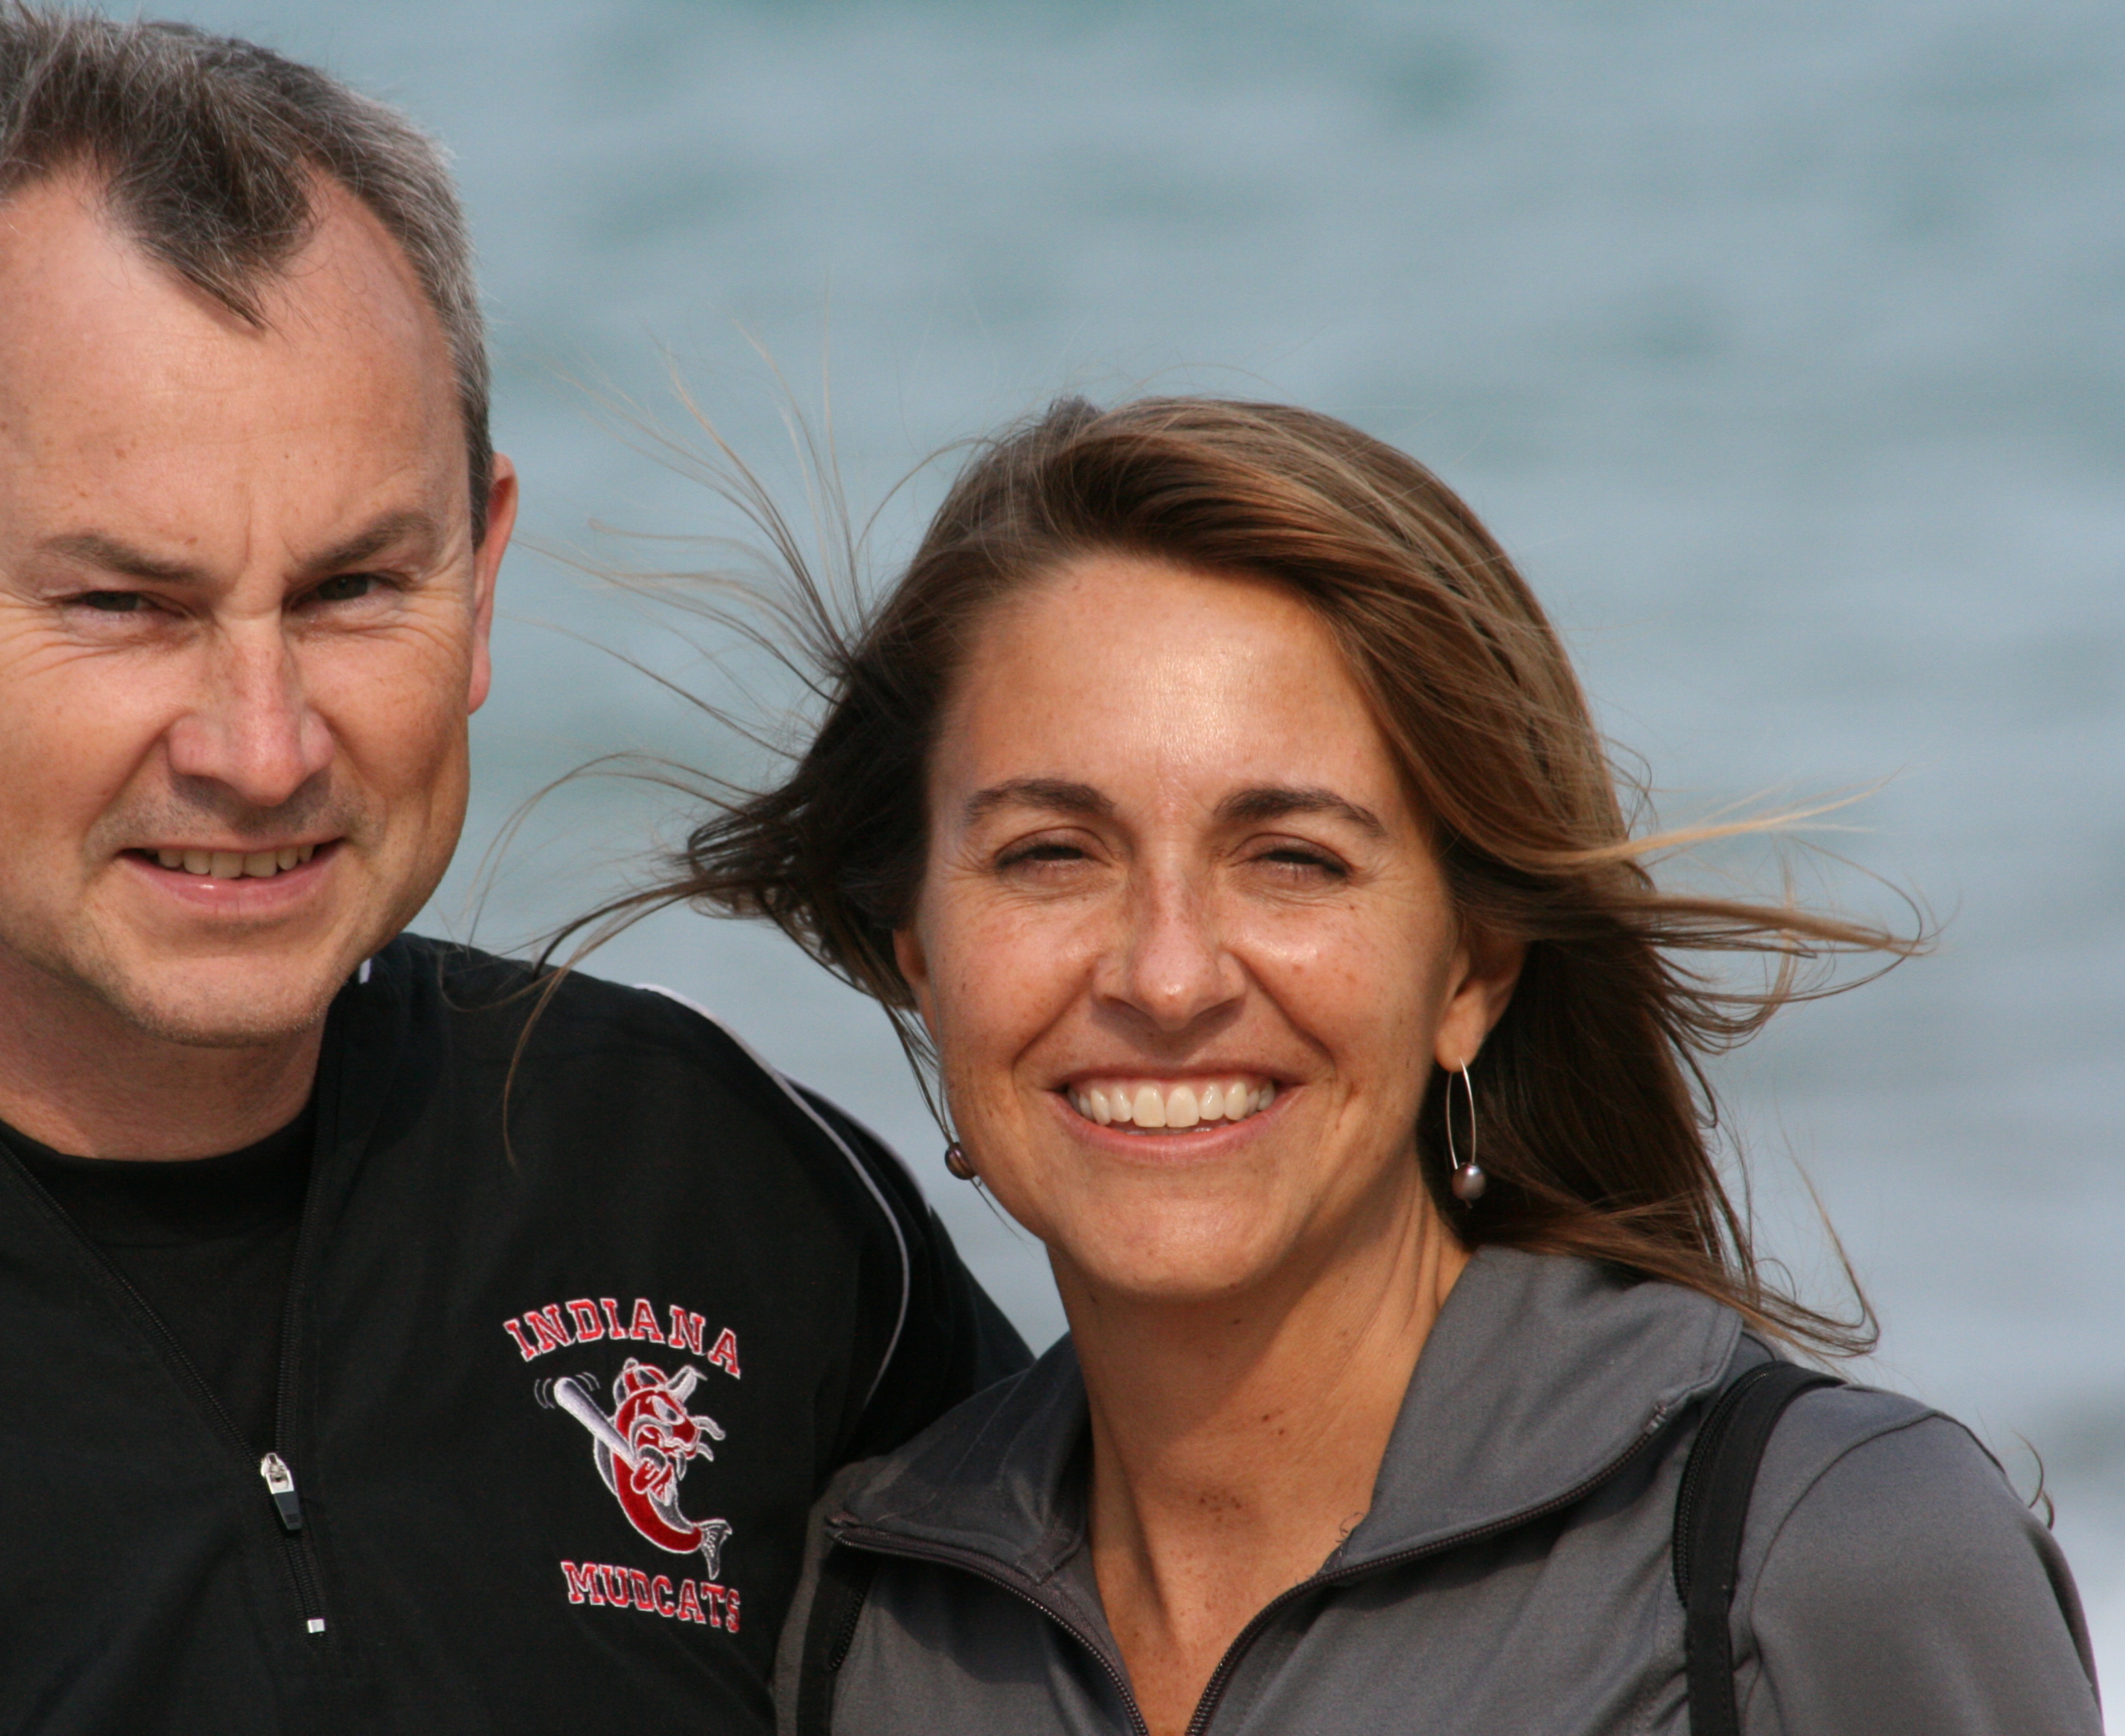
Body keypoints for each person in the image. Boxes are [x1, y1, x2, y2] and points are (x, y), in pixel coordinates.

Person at [0, 7, 1024, 1732]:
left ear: (483, 570)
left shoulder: (713, 1178)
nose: (261, 747)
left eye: (354, 589)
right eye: (122, 604)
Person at [608, 396, 2099, 1733]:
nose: (1168, 977)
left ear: (1472, 972)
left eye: (1294, 858)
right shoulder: (869, 1619)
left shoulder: (1816, 1558)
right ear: (923, 961)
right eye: (1051, 853)